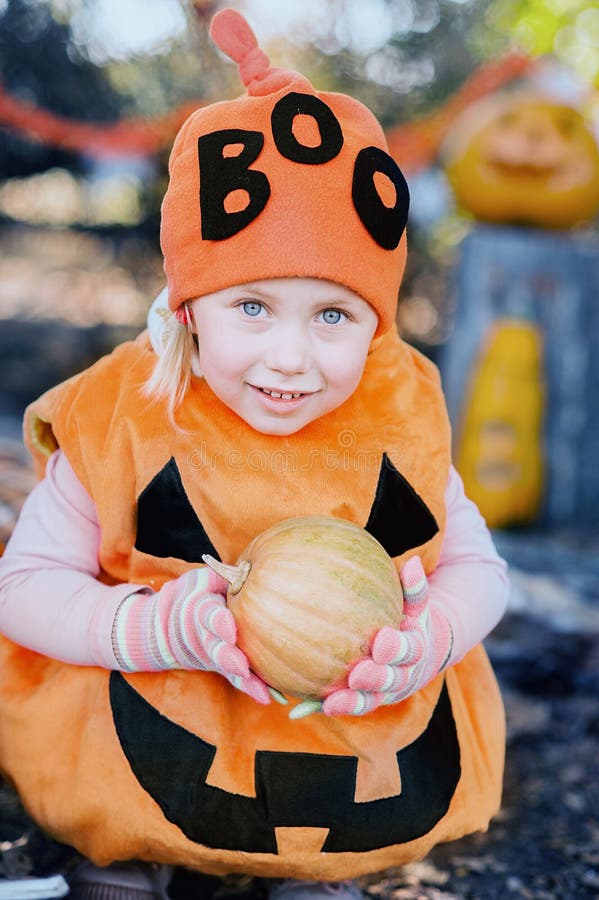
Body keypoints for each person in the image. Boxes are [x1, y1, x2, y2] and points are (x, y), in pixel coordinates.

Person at [0, 8, 509, 900]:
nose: (290, 356)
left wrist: (431, 638)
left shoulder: (395, 413)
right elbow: (23, 589)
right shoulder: (125, 414)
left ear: (376, 327)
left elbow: (478, 567)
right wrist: (148, 629)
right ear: (188, 306)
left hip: (342, 744)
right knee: (119, 806)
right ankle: (124, 859)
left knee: (332, 840)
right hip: (153, 728)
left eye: (332, 316)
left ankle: (315, 870)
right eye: (251, 308)